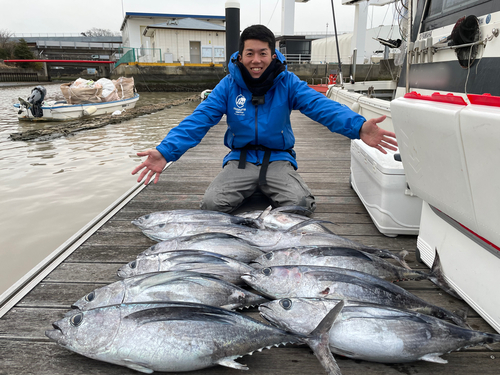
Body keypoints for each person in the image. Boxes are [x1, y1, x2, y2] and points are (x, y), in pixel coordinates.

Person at [132, 24, 397, 214]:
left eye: (262, 53)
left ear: (272, 55)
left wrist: (358, 126)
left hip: (279, 158)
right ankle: (253, 189)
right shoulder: (227, 86)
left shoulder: (288, 83)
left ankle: (265, 188)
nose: (256, 60)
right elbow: (198, 120)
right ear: (240, 55)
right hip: (241, 159)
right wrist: (165, 151)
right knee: (212, 206)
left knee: (300, 205)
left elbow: (321, 106)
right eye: (250, 53)